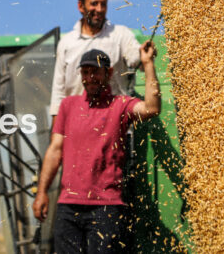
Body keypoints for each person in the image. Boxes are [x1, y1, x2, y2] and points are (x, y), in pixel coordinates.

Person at [33, 43, 160, 253]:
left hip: (106, 208)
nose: (90, 78)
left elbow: (152, 108)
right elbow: (55, 150)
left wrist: (147, 64)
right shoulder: (67, 106)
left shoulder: (120, 105)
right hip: (68, 207)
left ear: (108, 73)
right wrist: (42, 192)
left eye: (96, 72)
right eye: (86, 72)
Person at [49, 0, 142, 119]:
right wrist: (57, 131)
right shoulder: (66, 43)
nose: (99, 9)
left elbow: (136, 58)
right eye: (94, 4)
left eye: (103, 4)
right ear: (81, 6)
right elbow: (58, 90)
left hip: (113, 119)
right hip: (76, 120)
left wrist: (143, 54)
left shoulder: (120, 34)